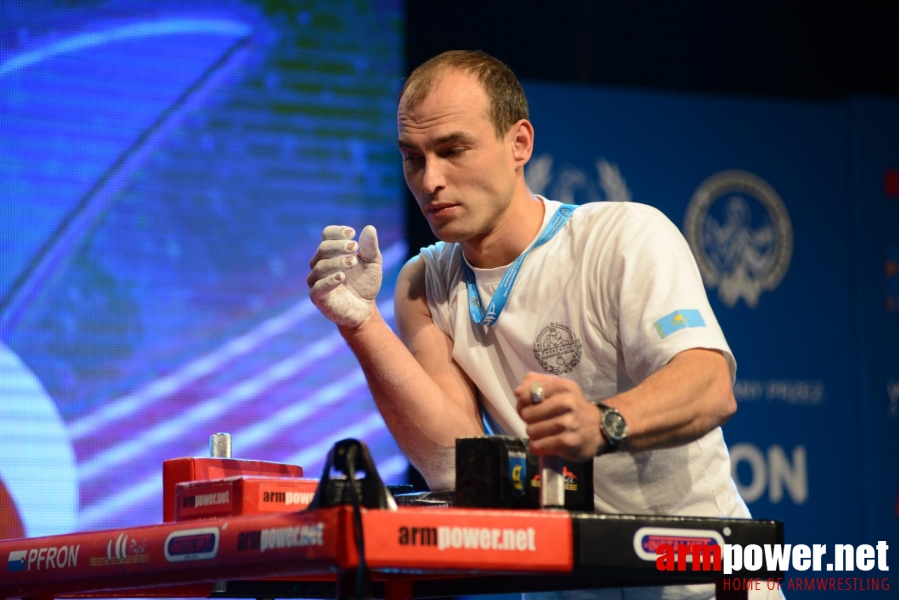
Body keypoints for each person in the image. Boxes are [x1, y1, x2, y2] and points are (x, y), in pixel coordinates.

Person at [308, 50, 781, 600]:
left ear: (519, 144)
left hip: (701, 577)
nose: (430, 180)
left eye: (453, 149)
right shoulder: (424, 283)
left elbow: (710, 385)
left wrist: (601, 423)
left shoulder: (623, 238)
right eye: (413, 158)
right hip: (570, 585)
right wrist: (360, 323)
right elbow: (452, 464)